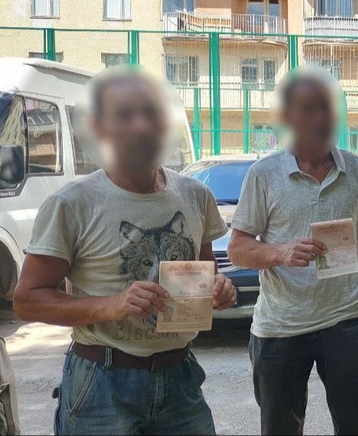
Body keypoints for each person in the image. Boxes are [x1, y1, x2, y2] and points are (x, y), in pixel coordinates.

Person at [12, 67, 236, 435]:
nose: (140, 125)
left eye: (151, 113)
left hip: (180, 378)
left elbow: (205, 275)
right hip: (102, 382)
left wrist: (220, 289)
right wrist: (112, 305)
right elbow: (27, 300)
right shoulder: (72, 204)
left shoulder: (196, 196)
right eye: (125, 115)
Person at [227, 68, 358, 435]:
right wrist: (281, 252)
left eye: (327, 107)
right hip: (281, 326)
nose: (321, 117)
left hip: (345, 320)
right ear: (288, 117)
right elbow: (237, 248)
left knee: (357, 426)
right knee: (280, 428)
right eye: (309, 108)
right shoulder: (264, 174)